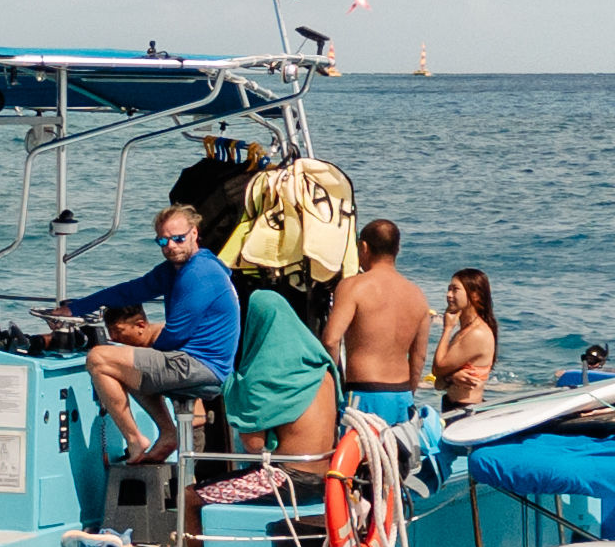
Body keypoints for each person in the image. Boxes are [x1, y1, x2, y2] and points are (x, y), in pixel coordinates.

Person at [62, 204, 239, 459]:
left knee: (99, 358)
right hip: (199, 364)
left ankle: (136, 440)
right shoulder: (175, 270)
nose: (171, 246)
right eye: (163, 240)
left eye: (178, 238)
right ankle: (168, 434)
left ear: (194, 234)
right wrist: (77, 307)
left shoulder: (199, 273)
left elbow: (175, 334)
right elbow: (129, 291)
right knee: (123, 363)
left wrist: (141, 355)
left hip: (201, 366)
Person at [196, 287, 347, 502]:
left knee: (192, 497)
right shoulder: (323, 369)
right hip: (325, 478)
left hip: (289, 481)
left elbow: (254, 445)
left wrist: (234, 389)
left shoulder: (264, 376)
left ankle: (187, 537)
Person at [325, 219, 431, 422]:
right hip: (402, 395)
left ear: (363, 247)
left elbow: (331, 340)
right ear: (397, 249)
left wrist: (338, 386)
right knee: (394, 453)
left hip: (363, 392)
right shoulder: (417, 295)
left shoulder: (353, 287)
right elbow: (419, 358)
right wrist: (409, 394)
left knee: (363, 452)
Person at [432, 267, 503, 409]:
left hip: (466, 409)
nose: (448, 295)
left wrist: (447, 329)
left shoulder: (477, 333)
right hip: (453, 405)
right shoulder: (466, 330)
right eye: (448, 289)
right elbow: (438, 383)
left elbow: (437, 368)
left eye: (455, 290)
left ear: (475, 295)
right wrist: (451, 378)